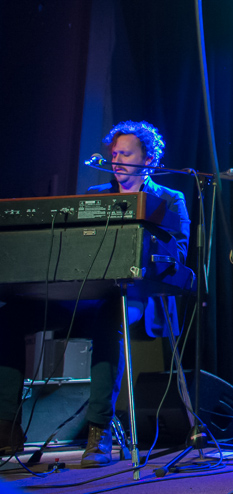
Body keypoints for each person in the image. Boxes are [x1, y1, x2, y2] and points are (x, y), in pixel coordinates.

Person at [0, 120, 190, 466]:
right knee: (9, 316)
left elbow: (177, 255)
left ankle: (98, 430)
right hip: (83, 296)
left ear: (148, 159)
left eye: (126, 154)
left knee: (111, 314)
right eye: (114, 153)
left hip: (134, 298)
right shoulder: (96, 196)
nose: (116, 160)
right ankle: (6, 425)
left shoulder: (170, 200)